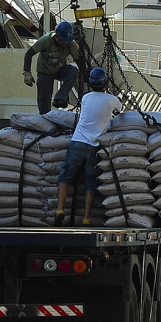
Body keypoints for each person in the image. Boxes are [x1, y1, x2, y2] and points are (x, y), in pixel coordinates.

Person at [53, 67, 122, 226]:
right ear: (105, 84)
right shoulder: (111, 99)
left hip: (77, 142)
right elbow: (120, 110)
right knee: (90, 184)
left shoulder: (85, 97)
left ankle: (60, 209)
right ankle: (86, 217)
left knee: (65, 176)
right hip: (94, 146)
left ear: (90, 84)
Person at [23, 20, 80, 114]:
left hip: (61, 69)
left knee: (73, 71)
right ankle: (45, 117)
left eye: (66, 41)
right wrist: (27, 73)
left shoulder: (70, 44)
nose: (64, 43)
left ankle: (60, 97)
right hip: (45, 72)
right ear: (56, 36)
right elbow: (29, 54)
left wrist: (88, 78)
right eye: (62, 40)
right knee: (44, 98)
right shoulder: (45, 40)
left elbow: (79, 61)